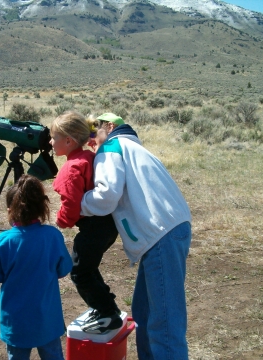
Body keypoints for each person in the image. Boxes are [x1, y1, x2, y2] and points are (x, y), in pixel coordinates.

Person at [81, 112, 192, 359]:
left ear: (110, 126)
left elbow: (106, 196)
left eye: (93, 130)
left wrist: (77, 204)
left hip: (161, 235)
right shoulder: (131, 147)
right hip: (166, 233)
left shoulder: (111, 146)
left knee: (163, 326)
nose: (90, 139)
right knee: (144, 313)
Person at [0, 174, 73, 360]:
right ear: (42, 207)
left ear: (10, 210)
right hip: (47, 319)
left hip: (16, 322)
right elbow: (64, 269)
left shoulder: (3, 241)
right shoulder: (52, 236)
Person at [49, 111, 122, 334]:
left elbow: (71, 204)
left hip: (94, 227)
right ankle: (102, 306)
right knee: (87, 266)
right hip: (108, 224)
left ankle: (108, 313)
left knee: (79, 271)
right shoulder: (87, 157)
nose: (50, 142)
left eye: (54, 137)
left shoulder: (71, 168)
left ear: (68, 141)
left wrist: (61, 220)